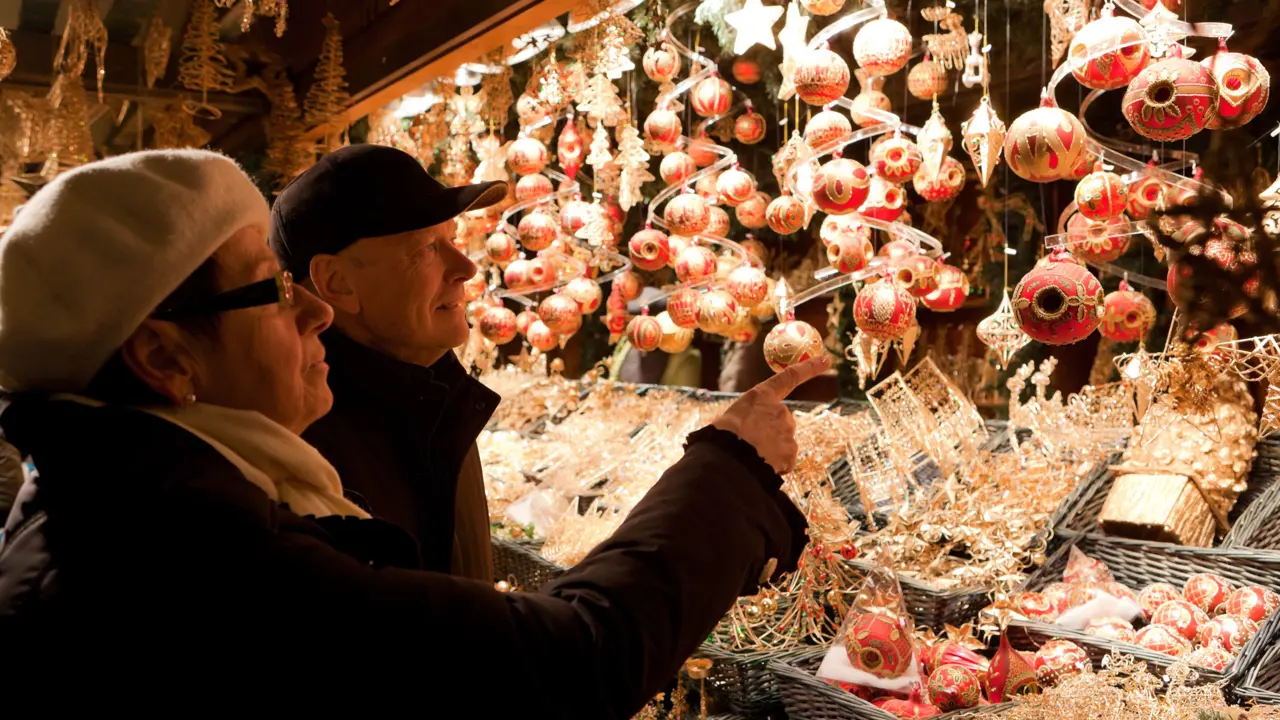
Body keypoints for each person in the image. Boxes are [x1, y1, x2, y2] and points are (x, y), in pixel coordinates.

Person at [0, 150, 820, 712]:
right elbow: (569, 667)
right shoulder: (179, 563)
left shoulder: (143, 502)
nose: (311, 313)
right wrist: (728, 468)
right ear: (163, 357)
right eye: (267, 291)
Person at [269, 144, 506, 579]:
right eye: (427, 248)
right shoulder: (299, 451)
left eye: (451, 239)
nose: (466, 267)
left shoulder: (438, 393)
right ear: (338, 283)